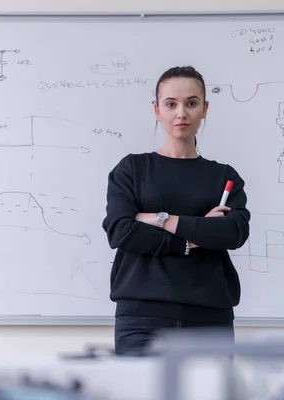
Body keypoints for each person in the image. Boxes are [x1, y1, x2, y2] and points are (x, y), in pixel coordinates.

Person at [101, 65, 251, 356]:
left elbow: (233, 232)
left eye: (191, 103)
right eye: (171, 104)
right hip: (142, 319)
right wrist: (197, 235)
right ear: (157, 110)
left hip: (210, 319)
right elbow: (121, 231)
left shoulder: (223, 176)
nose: (181, 113)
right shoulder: (132, 169)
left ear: (204, 109)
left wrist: (160, 219)